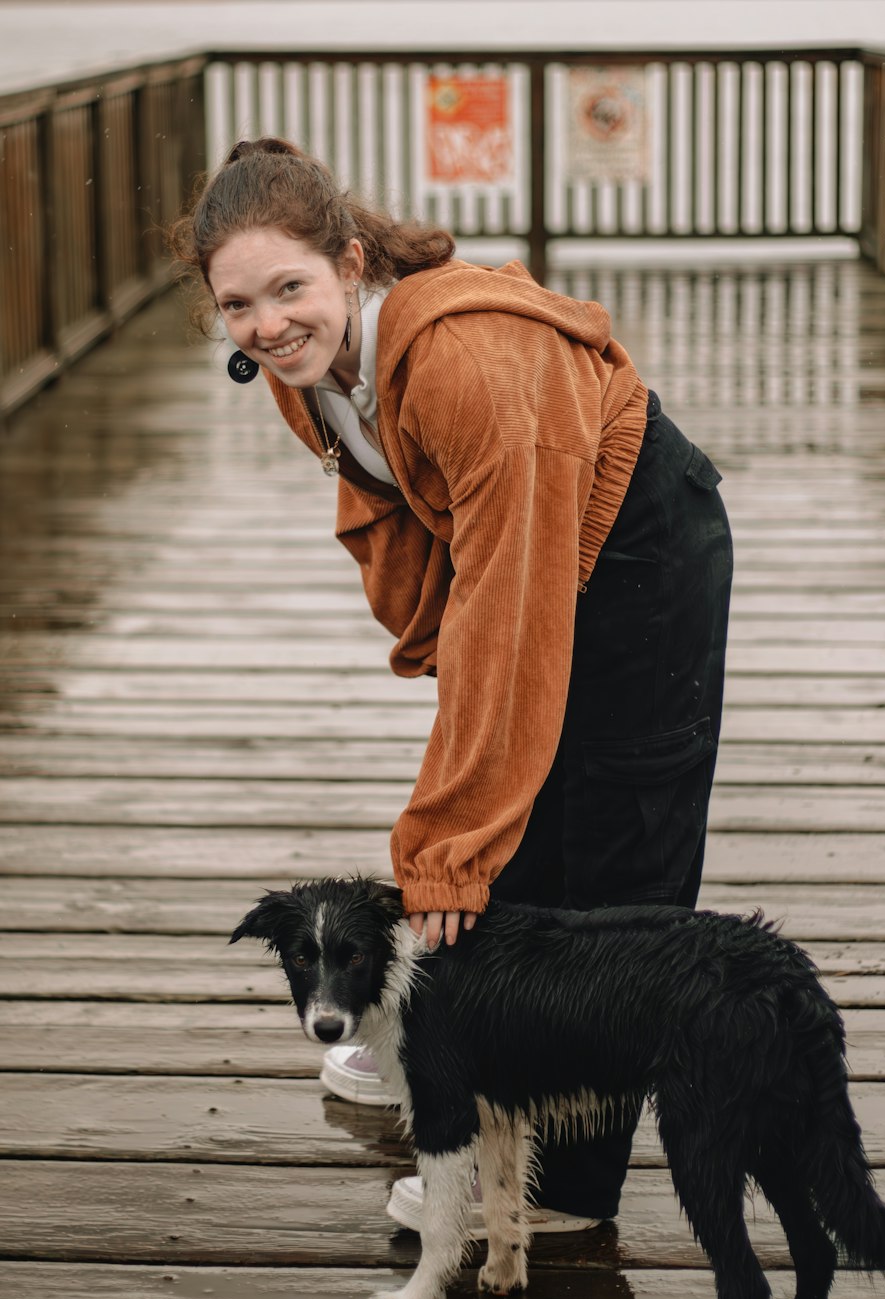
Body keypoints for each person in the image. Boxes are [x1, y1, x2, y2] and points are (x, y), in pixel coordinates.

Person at [171, 136, 733, 1236]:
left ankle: (560, 1186)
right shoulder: (310, 369)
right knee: (520, 826)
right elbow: (397, 513)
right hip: (527, 550)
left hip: (641, 550)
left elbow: (509, 617)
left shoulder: (461, 361)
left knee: (612, 852)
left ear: (350, 258)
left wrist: (447, 844)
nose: (268, 324)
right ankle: (460, 1067)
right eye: (238, 305)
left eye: (290, 288)